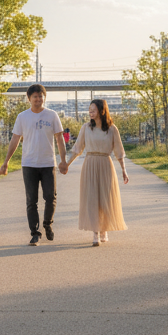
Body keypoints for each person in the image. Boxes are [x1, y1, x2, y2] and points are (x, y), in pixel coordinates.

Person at [1, 83, 66, 246]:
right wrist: (6, 161)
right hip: (29, 164)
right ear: (29, 98)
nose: (38, 99)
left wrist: (63, 160)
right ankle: (35, 232)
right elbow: (15, 139)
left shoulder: (52, 115)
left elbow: (59, 138)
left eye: (41, 96)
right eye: (35, 96)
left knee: (50, 197)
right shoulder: (23, 117)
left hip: (48, 163)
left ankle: (47, 224)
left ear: (44, 98)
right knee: (31, 200)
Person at [65, 98, 128, 247]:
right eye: (89, 109)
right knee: (92, 199)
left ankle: (104, 230)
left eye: (93, 109)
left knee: (105, 199)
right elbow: (77, 149)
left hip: (106, 164)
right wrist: (66, 164)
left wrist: (124, 170)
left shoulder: (112, 129)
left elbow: (119, 151)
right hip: (90, 164)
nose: (90, 112)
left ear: (101, 110)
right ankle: (95, 233)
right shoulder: (86, 127)